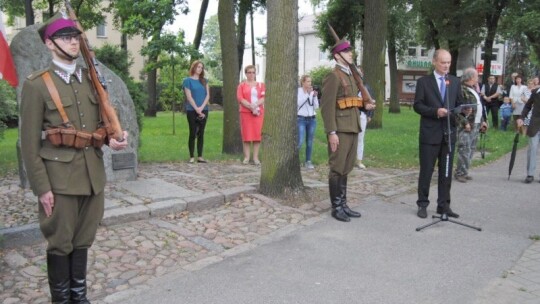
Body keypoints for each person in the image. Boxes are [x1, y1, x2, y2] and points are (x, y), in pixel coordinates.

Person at [20, 12, 129, 303]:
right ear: (49, 44)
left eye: (75, 36)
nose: (72, 42)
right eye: (65, 37)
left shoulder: (90, 80)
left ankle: (78, 298)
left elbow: (96, 128)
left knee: (83, 241)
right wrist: (42, 188)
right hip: (60, 181)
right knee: (60, 242)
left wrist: (112, 139)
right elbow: (29, 144)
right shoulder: (37, 85)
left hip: (93, 176)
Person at [320, 36, 375, 222]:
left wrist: (364, 106)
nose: (350, 53)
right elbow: (327, 107)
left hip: (352, 126)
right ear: (337, 56)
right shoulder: (333, 76)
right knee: (337, 168)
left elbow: (351, 101)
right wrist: (331, 132)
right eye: (346, 51)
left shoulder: (351, 75)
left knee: (346, 168)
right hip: (340, 129)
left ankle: (344, 204)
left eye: (350, 51)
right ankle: (336, 207)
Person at [413, 49, 463, 219]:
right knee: (426, 171)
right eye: (443, 62)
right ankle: (422, 204)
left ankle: (444, 205)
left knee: (446, 172)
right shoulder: (424, 82)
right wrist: (435, 111)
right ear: (434, 62)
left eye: (448, 62)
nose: (446, 66)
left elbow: (459, 104)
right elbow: (417, 106)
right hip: (430, 135)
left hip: (448, 134)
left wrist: (464, 112)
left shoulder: (455, 82)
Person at [454, 68, 488, 183]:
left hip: (476, 124)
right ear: (470, 77)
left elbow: (478, 106)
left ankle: (464, 170)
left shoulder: (473, 89)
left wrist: (482, 120)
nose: (477, 78)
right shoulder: (461, 90)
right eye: (476, 76)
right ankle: (460, 173)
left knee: (471, 148)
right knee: (464, 149)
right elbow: (458, 109)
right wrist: (465, 122)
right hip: (467, 124)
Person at [237, 65, 265, 165]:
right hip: (246, 113)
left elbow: (264, 97)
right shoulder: (242, 85)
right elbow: (240, 98)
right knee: (247, 136)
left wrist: (256, 105)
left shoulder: (261, 85)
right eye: (249, 72)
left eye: (253, 72)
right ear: (246, 73)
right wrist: (250, 106)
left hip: (258, 113)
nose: (251, 74)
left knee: (257, 136)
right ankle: (247, 157)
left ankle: (256, 157)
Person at [183, 60, 210, 163]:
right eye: (198, 67)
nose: (200, 69)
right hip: (191, 110)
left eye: (201, 67)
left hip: (204, 110)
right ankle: (191, 156)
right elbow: (189, 96)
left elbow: (207, 95)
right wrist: (197, 109)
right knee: (193, 132)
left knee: (201, 133)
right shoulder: (187, 81)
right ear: (194, 68)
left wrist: (202, 107)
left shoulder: (205, 81)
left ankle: (200, 156)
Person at [516, 83, 540, 183]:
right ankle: (530, 174)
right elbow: (527, 106)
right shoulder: (535, 92)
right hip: (535, 124)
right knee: (532, 148)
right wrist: (521, 118)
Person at [297, 75, 319, 169]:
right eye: (308, 81)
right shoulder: (298, 91)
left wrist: (314, 97)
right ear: (303, 82)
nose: (310, 83)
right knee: (300, 141)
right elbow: (298, 103)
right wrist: (307, 94)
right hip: (301, 119)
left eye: (310, 81)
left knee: (309, 141)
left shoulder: (312, 92)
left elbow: (316, 106)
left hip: (312, 119)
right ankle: (294, 160)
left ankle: (308, 161)